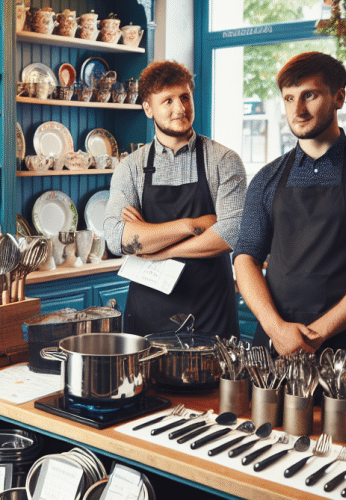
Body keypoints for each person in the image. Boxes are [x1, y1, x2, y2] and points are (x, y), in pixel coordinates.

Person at [233, 51, 346, 362]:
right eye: (289, 99)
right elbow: (245, 257)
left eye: (309, 95)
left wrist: (314, 335)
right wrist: (277, 329)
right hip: (276, 346)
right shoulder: (265, 179)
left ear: (339, 97)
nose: (298, 110)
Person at [104, 60, 247, 336]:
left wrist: (159, 248)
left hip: (211, 313)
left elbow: (231, 232)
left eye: (184, 97)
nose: (180, 108)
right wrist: (191, 225)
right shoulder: (130, 168)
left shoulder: (224, 161)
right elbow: (115, 237)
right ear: (148, 109)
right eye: (167, 101)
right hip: (148, 314)